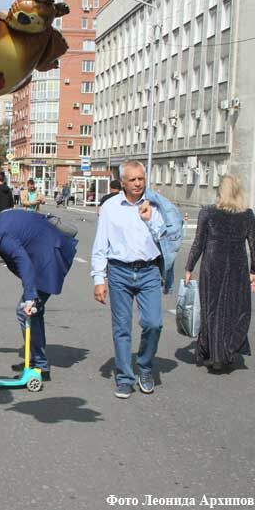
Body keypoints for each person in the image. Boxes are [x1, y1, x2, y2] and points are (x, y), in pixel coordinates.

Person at [91, 160, 182, 399]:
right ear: (123, 183)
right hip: (119, 272)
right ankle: (124, 378)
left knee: (154, 323)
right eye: (133, 180)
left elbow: (166, 238)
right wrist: (98, 278)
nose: (138, 183)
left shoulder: (155, 206)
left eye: (141, 178)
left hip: (149, 271)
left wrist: (150, 218)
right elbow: (101, 245)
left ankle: (144, 367)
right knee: (121, 328)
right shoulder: (110, 207)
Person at [0, 210, 77, 381]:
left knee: (25, 311)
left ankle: (40, 366)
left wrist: (30, 297)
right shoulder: (4, 216)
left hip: (50, 260)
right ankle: (33, 359)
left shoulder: (3, 238)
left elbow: (23, 261)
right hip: (52, 250)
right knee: (33, 313)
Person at [184, 175, 255, 371]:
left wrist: (189, 267)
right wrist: (254, 271)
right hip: (237, 266)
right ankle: (226, 349)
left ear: (220, 192)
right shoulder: (247, 215)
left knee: (211, 308)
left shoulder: (208, 212)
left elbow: (198, 243)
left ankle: (213, 353)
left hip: (212, 264)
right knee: (234, 309)